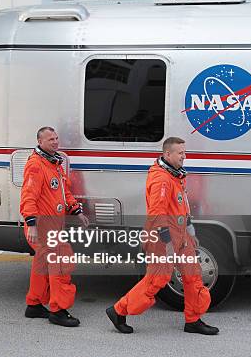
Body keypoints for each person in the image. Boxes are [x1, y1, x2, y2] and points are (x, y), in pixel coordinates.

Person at [106, 137, 219, 335]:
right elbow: (157, 214)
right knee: (157, 279)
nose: (184, 156)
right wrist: (168, 243)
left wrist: (190, 231)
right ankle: (118, 311)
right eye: (180, 153)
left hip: (181, 235)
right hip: (162, 238)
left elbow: (181, 206)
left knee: (193, 275)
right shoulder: (161, 179)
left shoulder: (175, 175)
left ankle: (193, 320)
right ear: (168, 154)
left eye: (185, 152)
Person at [20, 126, 89, 327]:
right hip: (41, 226)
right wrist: (31, 224)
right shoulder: (36, 165)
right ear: (40, 142)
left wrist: (77, 210)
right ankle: (58, 310)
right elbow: (28, 196)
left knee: (42, 263)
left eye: (56, 138)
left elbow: (63, 192)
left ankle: (34, 305)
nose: (55, 142)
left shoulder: (54, 164)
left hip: (52, 226)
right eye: (50, 139)